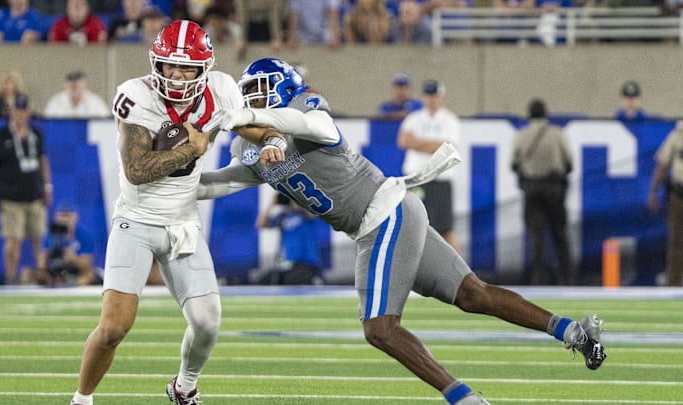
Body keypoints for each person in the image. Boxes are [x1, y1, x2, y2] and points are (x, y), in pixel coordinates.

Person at [197, 57, 607, 404]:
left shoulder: (308, 110)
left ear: (283, 88)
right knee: (473, 293)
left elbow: (290, 122)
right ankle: (574, 331)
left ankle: (465, 399)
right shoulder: (248, 146)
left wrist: (237, 116)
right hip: (390, 215)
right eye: (246, 94)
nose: (250, 98)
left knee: (380, 328)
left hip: (383, 215)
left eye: (258, 90)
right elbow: (223, 182)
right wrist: (175, 185)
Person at [69, 20, 244, 405]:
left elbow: (253, 127)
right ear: (156, 64)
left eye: (186, 67)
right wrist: (192, 149)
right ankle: (81, 400)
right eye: (169, 65)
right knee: (114, 327)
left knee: (207, 321)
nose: (177, 75)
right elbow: (138, 169)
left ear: (205, 68)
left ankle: (184, 388)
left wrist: (275, 140)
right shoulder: (136, 95)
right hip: (136, 220)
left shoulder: (223, 90)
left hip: (183, 222)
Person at [0, 94, 52, 284]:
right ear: (11, 112)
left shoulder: (35, 134)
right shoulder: (0, 137)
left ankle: (41, 276)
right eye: (16, 110)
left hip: (34, 196)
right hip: (10, 198)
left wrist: (47, 187)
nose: (20, 114)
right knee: (12, 242)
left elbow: (43, 161)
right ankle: (10, 278)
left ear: (28, 112)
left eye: (23, 110)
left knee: (38, 239)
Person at [511, 99, 574, 285]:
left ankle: (539, 278)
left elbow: (513, 163)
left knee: (536, 236)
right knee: (560, 233)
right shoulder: (557, 134)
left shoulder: (522, 135)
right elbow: (569, 161)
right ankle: (567, 277)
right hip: (554, 187)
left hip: (531, 188)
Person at [397, 79, 461, 253]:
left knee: (445, 229)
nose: (431, 99)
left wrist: (417, 143)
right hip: (417, 178)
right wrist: (432, 146)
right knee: (414, 228)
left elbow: (447, 148)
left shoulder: (450, 120)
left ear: (441, 97)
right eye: (428, 95)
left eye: (434, 95)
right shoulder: (414, 118)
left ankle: (460, 275)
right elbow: (403, 141)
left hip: (440, 179)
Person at [20, 202, 100, 286]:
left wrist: (73, 258)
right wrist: (47, 257)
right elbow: (41, 264)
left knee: (90, 274)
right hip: (54, 271)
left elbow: (87, 263)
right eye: (62, 216)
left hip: (75, 270)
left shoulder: (84, 236)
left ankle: (72, 285)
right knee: (27, 274)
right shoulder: (50, 236)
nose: (65, 220)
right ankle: (54, 283)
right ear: (56, 217)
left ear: (75, 217)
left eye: (68, 216)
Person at [253, 193, 323, 285]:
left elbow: (311, 215)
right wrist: (271, 204)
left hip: (306, 262)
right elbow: (260, 224)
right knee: (263, 282)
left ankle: (314, 281)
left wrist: (298, 202)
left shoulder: (305, 215)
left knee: (293, 280)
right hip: (287, 262)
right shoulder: (283, 216)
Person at [647, 121, 683, 286]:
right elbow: (662, 164)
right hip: (678, 193)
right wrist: (654, 191)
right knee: (675, 240)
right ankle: (673, 283)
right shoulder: (677, 136)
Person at [44, 70, 110, 118]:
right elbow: (48, 123)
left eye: (78, 85)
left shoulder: (96, 102)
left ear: (85, 85)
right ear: (65, 85)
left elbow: (105, 123)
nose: (75, 86)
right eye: (72, 85)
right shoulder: (55, 102)